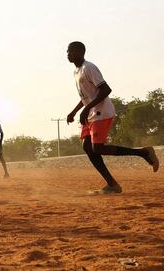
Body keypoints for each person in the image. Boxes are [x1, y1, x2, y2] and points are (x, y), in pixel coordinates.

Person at [65, 41, 158, 194]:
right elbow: (86, 96)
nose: (68, 54)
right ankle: (112, 185)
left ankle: (144, 153)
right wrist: (74, 112)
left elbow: (106, 89)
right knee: (88, 147)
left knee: (98, 148)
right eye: (67, 52)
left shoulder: (89, 67)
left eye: (71, 51)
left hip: (101, 111)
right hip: (90, 114)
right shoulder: (76, 71)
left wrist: (87, 108)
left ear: (81, 52)